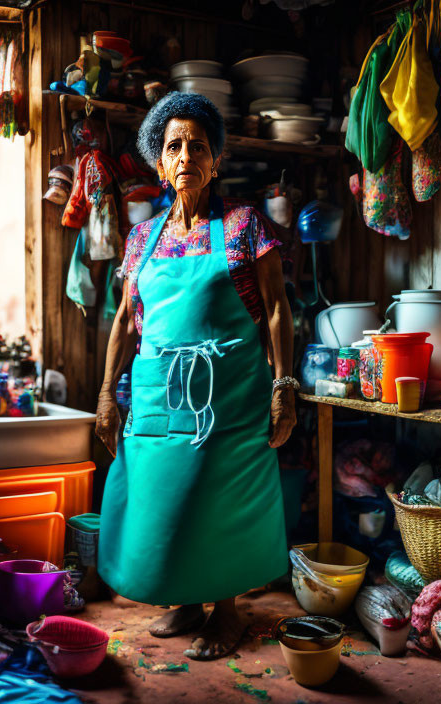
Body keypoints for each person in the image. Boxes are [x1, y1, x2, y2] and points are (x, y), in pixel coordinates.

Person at [95, 92, 298, 660]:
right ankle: (187, 599)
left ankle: (226, 611)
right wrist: (107, 393)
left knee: (218, 499)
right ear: (159, 163)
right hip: (159, 394)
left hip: (228, 395)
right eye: (174, 146)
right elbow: (125, 322)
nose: (186, 155)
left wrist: (283, 388)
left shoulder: (243, 225)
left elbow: (278, 307)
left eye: (198, 146)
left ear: (216, 162)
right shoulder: (141, 239)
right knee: (165, 498)